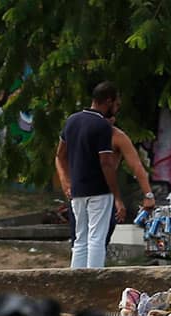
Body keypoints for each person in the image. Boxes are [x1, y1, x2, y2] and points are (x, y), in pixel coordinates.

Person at [57, 82, 124, 270]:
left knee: (80, 239)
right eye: (116, 105)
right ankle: (95, 283)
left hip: (77, 191)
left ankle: (76, 282)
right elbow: (106, 162)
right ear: (108, 101)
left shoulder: (72, 120)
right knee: (96, 239)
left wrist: (66, 181)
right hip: (99, 190)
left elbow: (59, 155)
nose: (116, 109)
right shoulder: (102, 125)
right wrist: (116, 194)